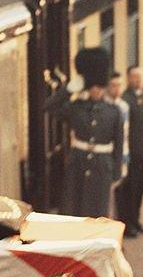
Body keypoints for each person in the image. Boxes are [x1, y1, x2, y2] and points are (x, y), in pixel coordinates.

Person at [45, 47, 124, 218]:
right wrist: (68, 90)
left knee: (99, 215)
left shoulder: (114, 111)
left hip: (102, 167)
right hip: (78, 163)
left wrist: (116, 173)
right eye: (92, 87)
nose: (96, 90)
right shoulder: (76, 109)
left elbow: (118, 144)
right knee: (73, 212)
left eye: (99, 87)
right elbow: (49, 107)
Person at [119, 66, 143, 237]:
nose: (137, 80)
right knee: (129, 191)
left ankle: (135, 220)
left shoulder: (140, 97)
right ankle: (127, 225)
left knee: (139, 190)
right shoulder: (126, 100)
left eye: (140, 77)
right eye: (134, 77)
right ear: (128, 79)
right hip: (133, 156)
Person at [107, 72, 130, 224]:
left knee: (120, 196)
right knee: (109, 199)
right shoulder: (106, 107)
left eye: (119, 86)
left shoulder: (124, 106)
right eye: (113, 86)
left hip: (124, 154)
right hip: (109, 157)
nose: (117, 89)